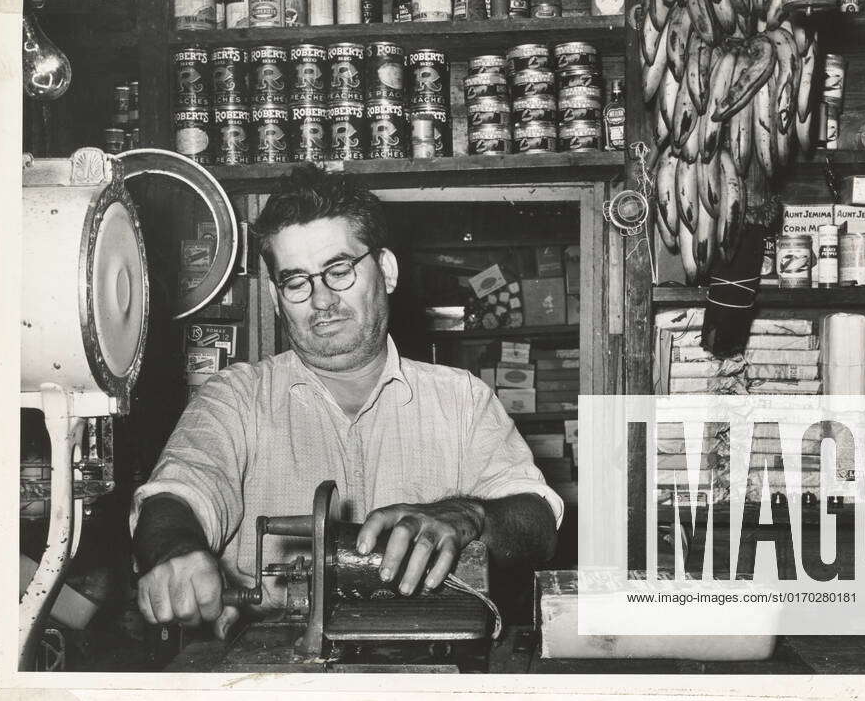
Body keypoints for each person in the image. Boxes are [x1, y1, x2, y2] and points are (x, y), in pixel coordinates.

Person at [130, 166, 562, 639]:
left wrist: (468, 515)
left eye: (339, 271)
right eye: (296, 281)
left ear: (387, 270)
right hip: (275, 672)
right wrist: (174, 550)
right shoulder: (235, 398)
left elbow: (537, 522)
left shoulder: (462, 400)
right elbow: (177, 494)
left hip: (429, 666)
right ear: (276, 297)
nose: (320, 300)